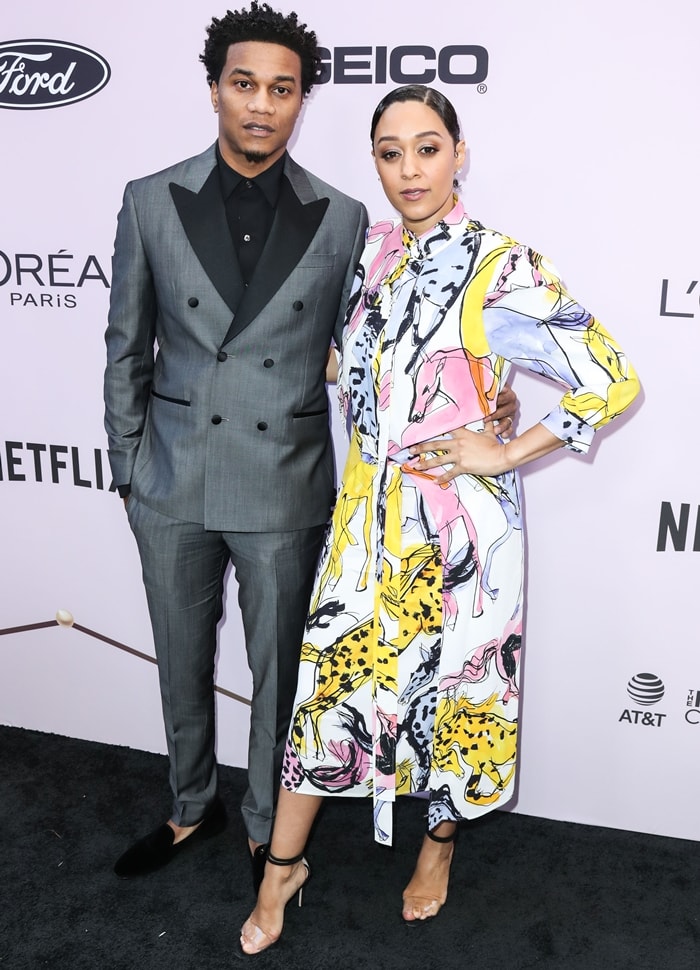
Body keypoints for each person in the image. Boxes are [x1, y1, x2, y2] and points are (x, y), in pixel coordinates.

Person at [103, 2, 522, 885]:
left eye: (282, 89)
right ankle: (188, 807)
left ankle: (266, 827)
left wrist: (496, 397)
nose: (262, 104)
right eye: (245, 84)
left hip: (286, 490)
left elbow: (388, 342)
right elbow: (124, 346)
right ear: (216, 89)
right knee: (179, 662)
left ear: (302, 103)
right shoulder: (148, 199)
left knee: (280, 682)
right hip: (170, 482)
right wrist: (129, 468)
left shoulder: (343, 223)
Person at [239, 84, 640, 954]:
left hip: (461, 530)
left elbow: (612, 380)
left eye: (428, 147)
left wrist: (504, 447)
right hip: (363, 524)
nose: (410, 168)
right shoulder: (370, 252)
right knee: (326, 693)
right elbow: (351, 368)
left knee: (458, 699)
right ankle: (281, 868)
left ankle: (439, 847)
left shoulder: (504, 263)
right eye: (390, 151)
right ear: (375, 162)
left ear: (460, 153)